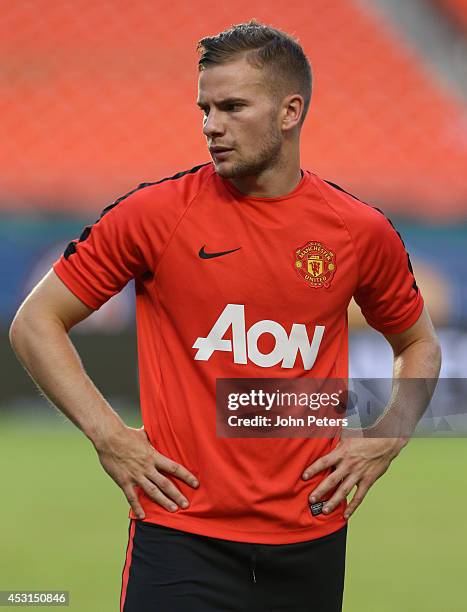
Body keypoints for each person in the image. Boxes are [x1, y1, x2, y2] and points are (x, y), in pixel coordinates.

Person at [9, 20, 441, 612]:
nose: (212, 126)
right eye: (205, 108)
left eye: (233, 107)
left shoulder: (358, 231)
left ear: (290, 112)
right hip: (182, 534)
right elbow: (35, 322)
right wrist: (108, 436)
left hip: (312, 534)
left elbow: (418, 343)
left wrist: (388, 437)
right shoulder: (154, 216)